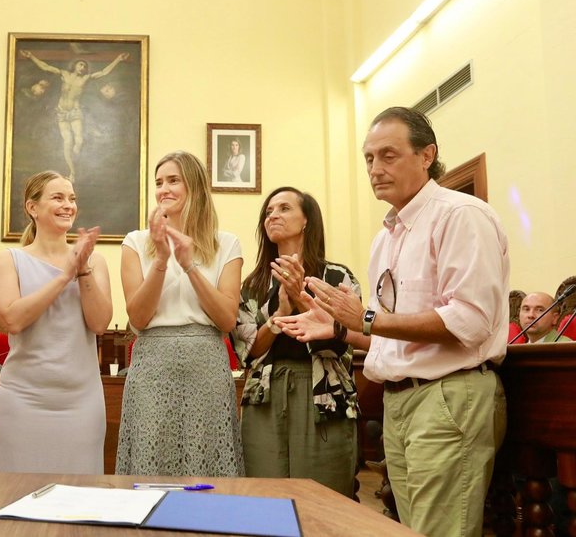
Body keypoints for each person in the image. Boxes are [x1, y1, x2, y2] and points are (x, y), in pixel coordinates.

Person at [277, 107, 508, 537]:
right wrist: (340, 329)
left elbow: (471, 321)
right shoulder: (385, 236)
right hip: (398, 401)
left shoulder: (460, 214)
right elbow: (390, 338)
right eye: (368, 158)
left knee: (441, 531)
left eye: (388, 155)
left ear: (426, 155)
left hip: (448, 395)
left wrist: (364, 317)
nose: (375, 169)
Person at [116, 150, 244, 477]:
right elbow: (138, 318)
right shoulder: (135, 242)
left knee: (208, 460)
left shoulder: (226, 244)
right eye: (159, 182)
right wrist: (160, 259)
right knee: (151, 457)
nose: (163, 189)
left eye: (173, 180)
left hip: (207, 364)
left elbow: (227, 319)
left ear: (195, 188)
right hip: (152, 363)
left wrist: (188, 264)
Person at [233, 187, 359, 496]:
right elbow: (247, 353)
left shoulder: (335, 277)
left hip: (323, 393)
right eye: (268, 211)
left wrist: (301, 299)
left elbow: (345, 340)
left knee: (324, 494)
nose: (273, 215)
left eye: (284, 208)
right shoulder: (252, 285)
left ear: (306, 221)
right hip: (266, 394)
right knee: (266, 493)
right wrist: (279, 314)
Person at [0, 171, 112, 474]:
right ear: (33, 208)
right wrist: (64, 276)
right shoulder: (10, 259)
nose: (68, 205)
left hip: (82, 404)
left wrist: (82, 271)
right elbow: (13, 320)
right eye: (58, 197)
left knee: (79, 501)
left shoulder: (95, 262)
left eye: (72, 199)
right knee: (13, 497)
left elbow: (100, 324)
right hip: (22, 402)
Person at [19, 49, 130, 180]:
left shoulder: (85, 78)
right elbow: (46, 67)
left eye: (84, 66)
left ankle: (75, 162)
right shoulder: (64, 74)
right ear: (75, 65)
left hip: (75, 112)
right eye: (80, 64)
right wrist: (31, 55)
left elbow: (104, 72)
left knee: (78, 141)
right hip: (61, 111)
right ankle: (72, 172)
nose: (82, 67)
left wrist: (118, 59)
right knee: (67, 141)